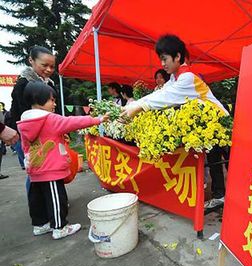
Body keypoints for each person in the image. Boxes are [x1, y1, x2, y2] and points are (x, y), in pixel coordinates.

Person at [122, 34, 229, 209]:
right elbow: (159, 94)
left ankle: (229, 196)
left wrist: (139, 106)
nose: (162, 64)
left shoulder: (187, 78)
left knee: (224, 160)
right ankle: (221, 195)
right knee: (214, 158)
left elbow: (166, 97)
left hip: (219, 123)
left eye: (165, 59)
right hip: (209, 125)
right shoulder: (174, 78)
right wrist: (136, 104)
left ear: (177, 56)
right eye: (161, 59)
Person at [17, 81, 109, 239]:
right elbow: (73, 122)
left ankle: (40, 225)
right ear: (39, 99)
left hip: (34, 167)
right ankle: (60, 227)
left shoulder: (24, 122)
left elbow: (25, 146)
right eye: (51, 100)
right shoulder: (49, 119)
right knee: (56, 198)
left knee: (36, 198)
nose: (54, 103)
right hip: (51, 169)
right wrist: (98, 119)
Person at [10, 46, 57, 170]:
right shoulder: (23, 83)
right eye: (44, 65)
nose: (48, 69)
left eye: (52, 66)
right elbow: (23, 114)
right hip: (29, 135)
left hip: (47, 133)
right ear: (31, 60)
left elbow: (55, 110)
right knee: (36, 170)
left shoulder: (50, 83)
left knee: (45, 169)